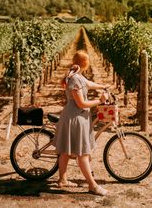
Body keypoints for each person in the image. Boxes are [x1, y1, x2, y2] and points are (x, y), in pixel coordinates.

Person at [53, 49, 110, 196]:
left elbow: (89, 84)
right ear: (85, 63)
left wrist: (102, 86)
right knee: (83, 154)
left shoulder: (77, 75)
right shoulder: (74, 79)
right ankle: (92, 185)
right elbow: (82, 103)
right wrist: (100, 101)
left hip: (77, 117)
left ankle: (62, 180)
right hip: (75, 119)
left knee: (65, 151)